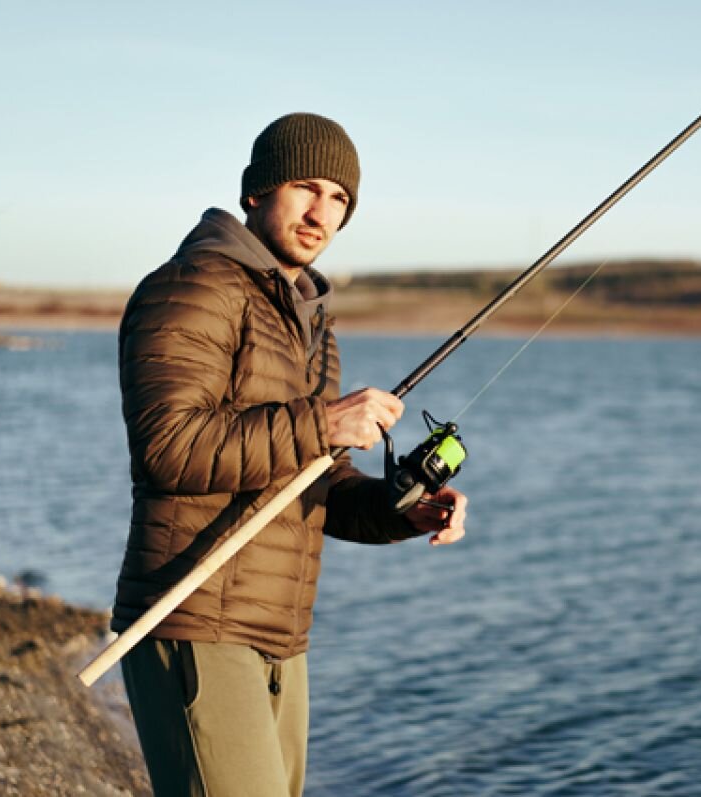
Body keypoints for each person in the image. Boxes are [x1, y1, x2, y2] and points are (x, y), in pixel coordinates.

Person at [109, 112, 468, 796]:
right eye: (307, 187)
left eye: (340, 199)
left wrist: (405, 511)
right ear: (256, 191)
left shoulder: (309, 321)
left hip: (280, 637)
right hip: (191, 617)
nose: (321, 212)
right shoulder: (192, 286)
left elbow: (313, 481)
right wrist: (322, 420)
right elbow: (167, 447)